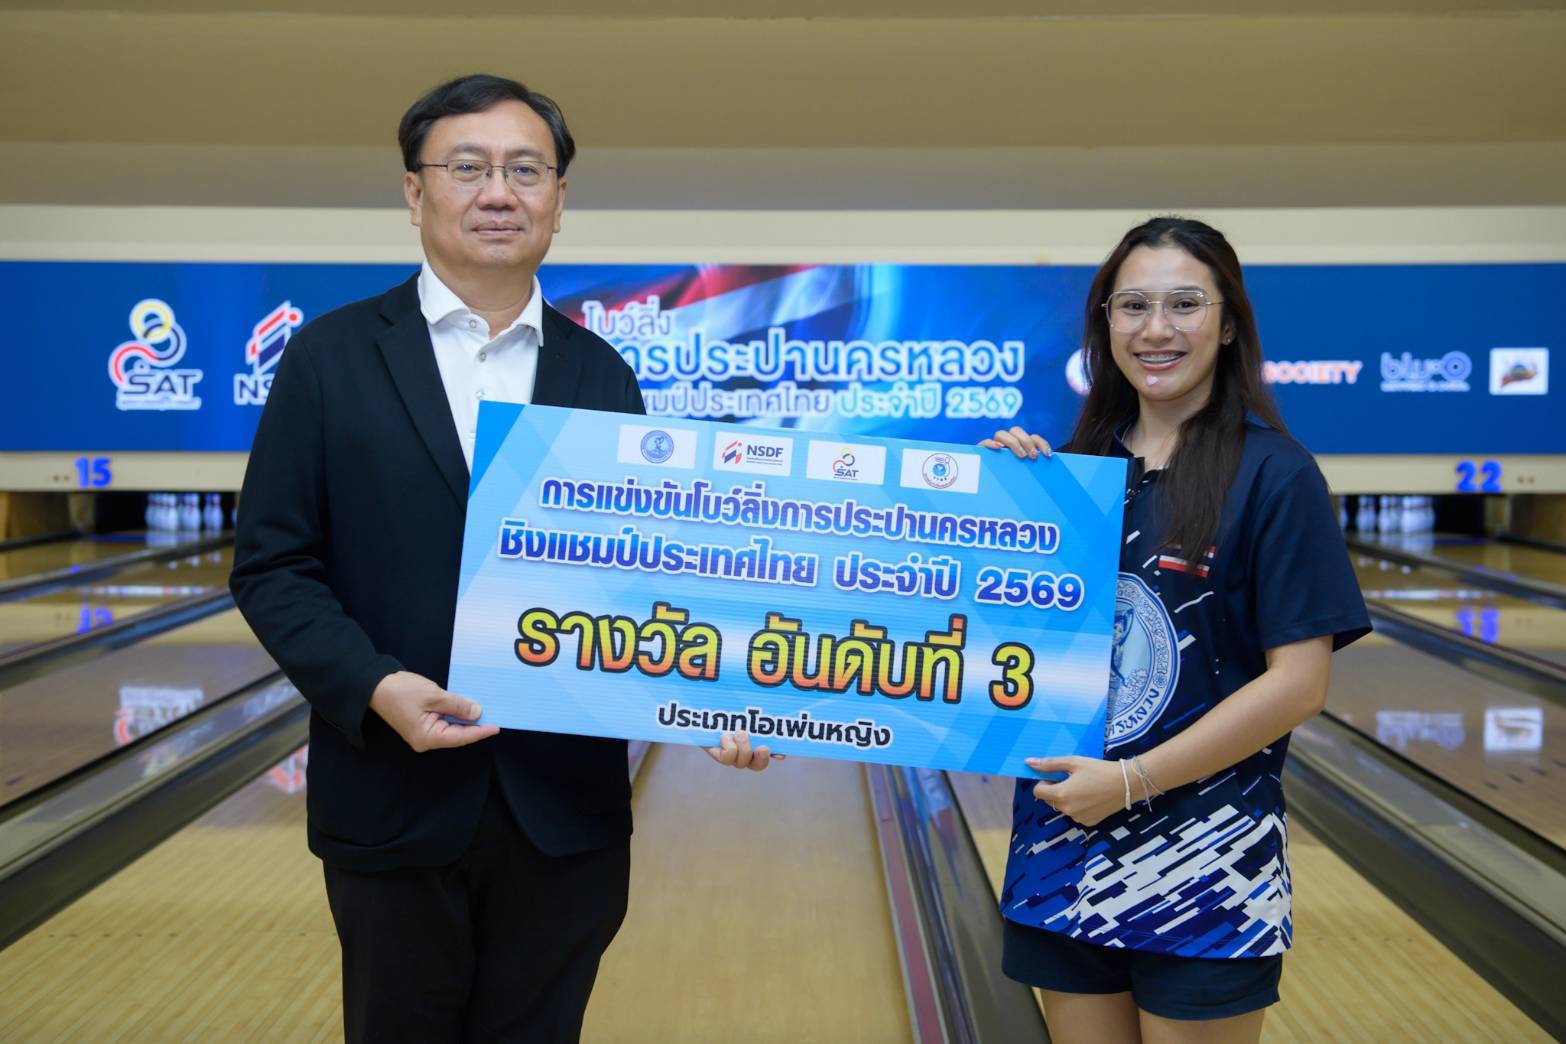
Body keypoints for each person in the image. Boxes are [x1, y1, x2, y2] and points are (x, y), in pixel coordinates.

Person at [230, 73, 771, 1044]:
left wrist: (717, 692)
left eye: (527, 170)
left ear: (559, 199)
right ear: (414, 191)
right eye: (468, 167)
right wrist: (374, 686)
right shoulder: (330, 359)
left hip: (563, 814)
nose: (498, 192)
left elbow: (641, 579)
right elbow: (272, 565)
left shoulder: (599, 373)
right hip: (393, 801)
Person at [981, 216, 1370, 1044]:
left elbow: (1299, 685)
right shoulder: (1067, 477)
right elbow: (982, 656)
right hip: (1061, 851)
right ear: (1106, 325)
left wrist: (1131, 782)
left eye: (1185, 304)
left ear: (1228, 326)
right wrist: (995, 502)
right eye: (1133, 306)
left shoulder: (1276, 474)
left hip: (1208, 864)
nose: (1156, 328)